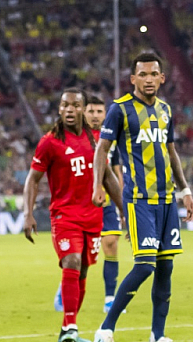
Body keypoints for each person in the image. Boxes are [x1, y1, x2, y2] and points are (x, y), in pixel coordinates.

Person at [92, 52, 193, 342]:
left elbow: (171, 152)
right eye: (143, 74)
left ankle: (158, 338)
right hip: (139, 200)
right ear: (133, 78)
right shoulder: (120, 110)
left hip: (167, 202)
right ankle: (107, 328)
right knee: (145, 265)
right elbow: (102, 149)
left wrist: (184, 190)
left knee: (166, 266)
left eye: (154, 74)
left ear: (162, 78)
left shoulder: (165, 110)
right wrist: (98, 183)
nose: (149, 79)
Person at [22, 88, 122, 342]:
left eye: (75, 105)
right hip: (64, 216)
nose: (69, 110)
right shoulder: (50, 142)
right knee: (73, 261)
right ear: (59, 109)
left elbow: (109, 177)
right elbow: (33, 179)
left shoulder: (97, 140)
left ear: (83, 109)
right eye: (65, 105)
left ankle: (69, 326)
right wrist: (28, 213)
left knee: (83, 270)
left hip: (93, 217)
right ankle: (70, 325)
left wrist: (124, 210)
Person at [53, 94, 126, 314]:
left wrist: (121, 202)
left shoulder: (109, 137)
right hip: (82, 204)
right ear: (83, 113)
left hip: (106, 202)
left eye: (99, 111)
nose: (95, 116)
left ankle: (110, 298)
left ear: (105, 114)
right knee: (80, 256)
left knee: (111, 243)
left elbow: (115, 169)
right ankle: (65, 284)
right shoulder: (77, 137)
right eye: (91, 111)